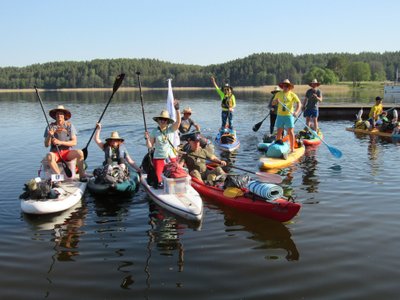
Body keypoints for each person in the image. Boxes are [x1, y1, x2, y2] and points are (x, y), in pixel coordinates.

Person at [43, 105, 87, 182]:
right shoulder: (50, 127)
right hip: (55, 153)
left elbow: (74, 142)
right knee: (49, 156)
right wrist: (49, 136)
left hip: (67, 153)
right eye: (57, 114)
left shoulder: (69, 126)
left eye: (61, 114)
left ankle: (82, 175)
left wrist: (60, 142)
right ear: (55, 116)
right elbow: (46, 145)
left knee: (80, 153)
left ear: (64, 116)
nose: (59, 115)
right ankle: (59, 178)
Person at [145, 100, 181, 189]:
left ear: (167, 121)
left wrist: (177, 109)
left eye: (165, 119)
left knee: (175, 175)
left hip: (171, 157)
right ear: (158, 120)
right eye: (161, 119)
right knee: (159, 180)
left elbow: (178, 122)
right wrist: (147, 138)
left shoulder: (171, 129)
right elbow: (150, 146)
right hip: (158, 158)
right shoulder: (154, 131)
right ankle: (160, 185)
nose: (162, 121)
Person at [272, 79, 302, 153]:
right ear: (282, 86)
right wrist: (276, 101)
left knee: (290, 132)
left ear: (289, 87)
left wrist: (296, 112)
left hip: (289, 115)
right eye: (284, 86)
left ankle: (292, 148)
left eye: (287, 86)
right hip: (280, 115)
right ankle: (277, 147)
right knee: (279, 131)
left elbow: (299, 103)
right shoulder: (278, 94)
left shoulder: (292, 94)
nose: (285, 87)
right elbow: (273, 103)